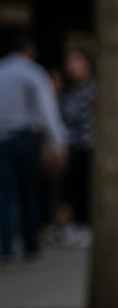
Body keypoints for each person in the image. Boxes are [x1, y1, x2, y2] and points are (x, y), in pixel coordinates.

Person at [0, 34, 67, 261]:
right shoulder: (33, 73)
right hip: (25, 137)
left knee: (5, 195)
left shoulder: (2, 71)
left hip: (3, 139)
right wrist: (59, 142)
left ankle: (6, 247)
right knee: (29, 192)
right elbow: (47, 110)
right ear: (29, 51)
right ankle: (30, 245)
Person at [59, 47, 96, 248]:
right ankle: (72, 226)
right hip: (70, 146)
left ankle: (85, 226)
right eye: (70, 62)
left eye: (77, 61)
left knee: (84, 187)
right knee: (70, 188)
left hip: (88, 146)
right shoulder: (68, 91)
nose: (72, 67)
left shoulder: (93, 90)